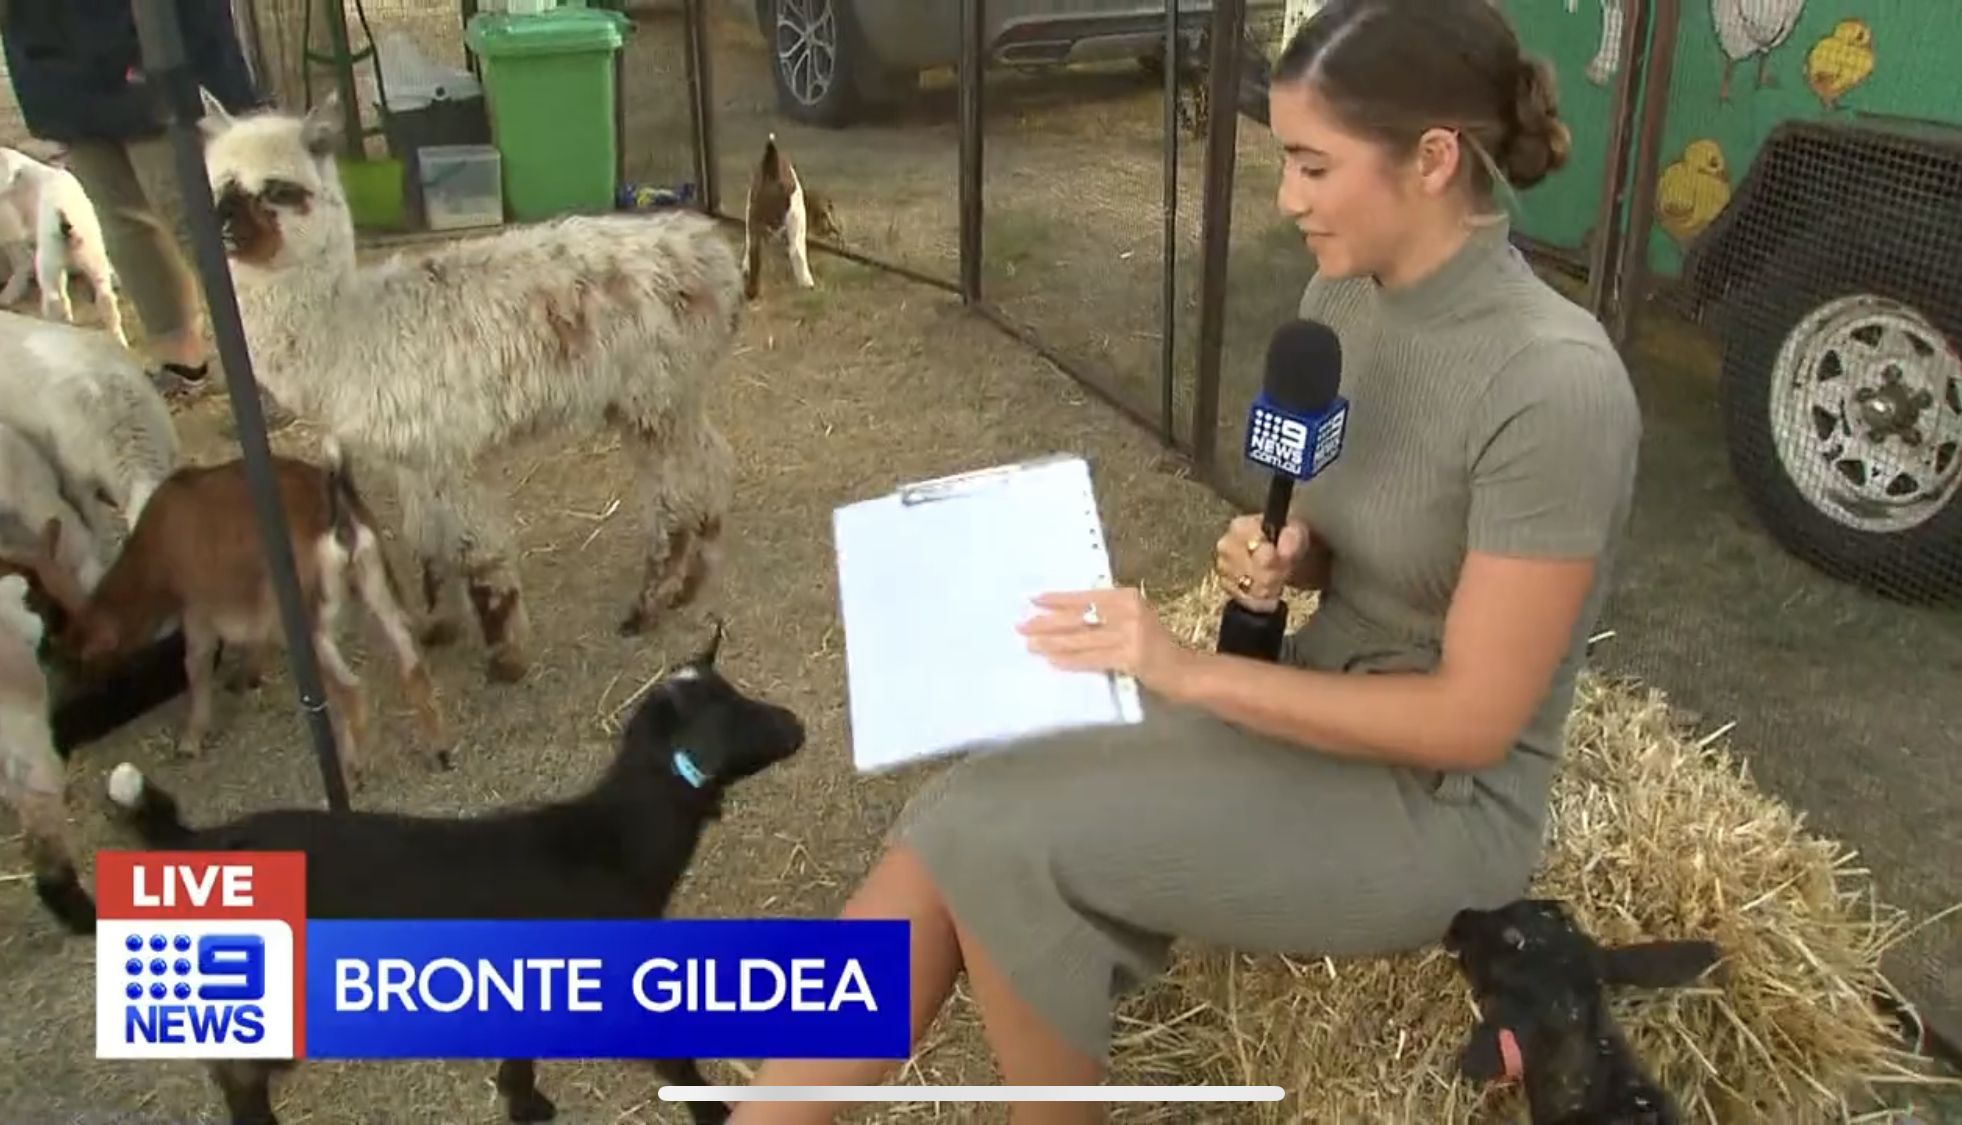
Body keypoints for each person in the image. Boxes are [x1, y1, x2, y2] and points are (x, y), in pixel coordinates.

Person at [733, 0, 1642, 1118]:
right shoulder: (1338, 302)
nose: (1286, 197)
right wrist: (1293, 557)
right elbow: (1376, 533)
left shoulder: (1556, 385)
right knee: (959, 810)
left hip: (1438, 807)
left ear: (1433, 159)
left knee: (1004, 842)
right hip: (1309, 701)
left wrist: (1189, 671)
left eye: (1313, 165)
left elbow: (1471, 723)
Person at [0, 0, 263, 399]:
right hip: (55, 64)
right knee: (124, 223)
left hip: (153, 48)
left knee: (201, 220)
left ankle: (269, 366)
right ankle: (182, 363)